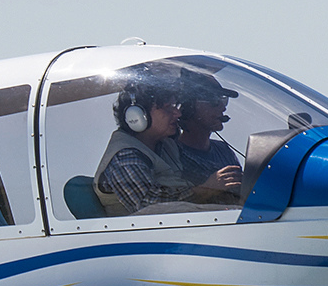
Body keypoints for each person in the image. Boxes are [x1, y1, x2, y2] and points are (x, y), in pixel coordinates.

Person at [92, 67, 238, 215]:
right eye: (168, 109)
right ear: (137, 116)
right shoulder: (125, 157)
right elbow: (151, 206)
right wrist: (206, 189)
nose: (178, 113)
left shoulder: (165, 146)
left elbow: (199, 173)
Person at [173, 73, 243, 205]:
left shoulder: (223, 151)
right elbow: (171, 204)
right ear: (189, 107)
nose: (223, 107)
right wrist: (209, 188)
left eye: (223, 100)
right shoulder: (174, 154)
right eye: (214, 101)